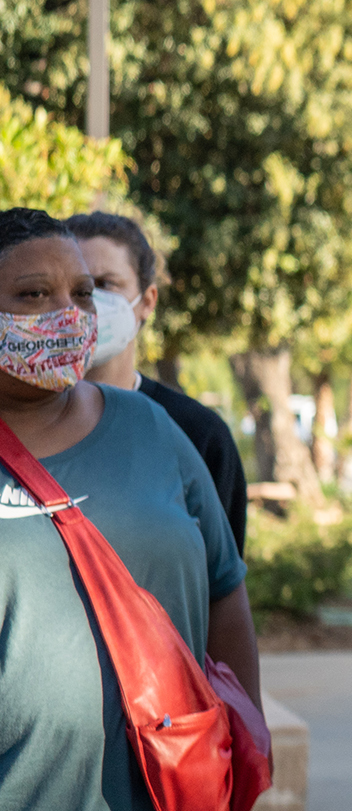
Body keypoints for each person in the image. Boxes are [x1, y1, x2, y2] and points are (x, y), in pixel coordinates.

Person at [0, 209, 257, 811]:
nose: (64, 314)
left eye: (81, 293)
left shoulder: (154, 428)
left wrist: (240, 756)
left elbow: (225, 594)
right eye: (31, 295)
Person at [65, 213, 248, 556]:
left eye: (105, 284)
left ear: (147, 301)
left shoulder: (199, 435)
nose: (87, 301)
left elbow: (221, 585)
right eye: (76, 287)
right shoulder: (23, 426)